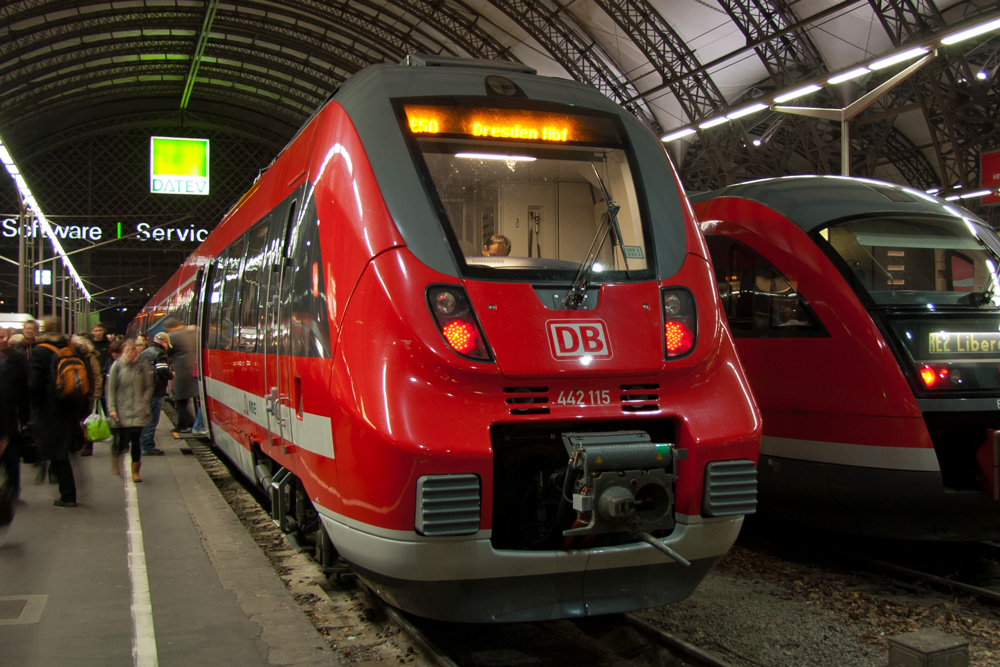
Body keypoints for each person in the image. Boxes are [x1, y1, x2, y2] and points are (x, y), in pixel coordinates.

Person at [28, 316, 86, 507]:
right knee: (64, 449)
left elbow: (34, 385)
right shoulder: (73, 348)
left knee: (58, 452)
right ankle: (67, 487)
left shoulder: (39, 352)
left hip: (50, 409)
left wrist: (33, 406)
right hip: (71, 405)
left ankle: (68, 495)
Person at [107, 339, 153, 481]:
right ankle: (115, 457)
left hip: (137, 410)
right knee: (120, 439)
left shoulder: (142, 366)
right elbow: (111, 389)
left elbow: (149, 386)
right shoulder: (117, 366)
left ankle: (135, 472)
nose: (129, 353)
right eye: (126, 351)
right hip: (120, 409)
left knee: (135, 439)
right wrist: (112, 408)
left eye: (131, 350)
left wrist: (143, 401)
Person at [0, 329, 30, 510]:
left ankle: (12, 490)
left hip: (9, 414)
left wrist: (26, 417)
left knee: (11, 457)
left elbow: (23, 389)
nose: (2, 340)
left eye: (3, 336)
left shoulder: (17, 358)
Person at [138, 332, 173, 456]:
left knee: (146, 417)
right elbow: (162, 370)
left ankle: (144, 444)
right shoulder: (160, 353)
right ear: (164, 342)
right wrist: (171, 375)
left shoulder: (145, 352)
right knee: (152, 419)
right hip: (155, 389)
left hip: (144, 389)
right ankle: (148, 446)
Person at [70, 335, 104, 457]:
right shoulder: (71, 356)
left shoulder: (90, 357)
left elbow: (97, 375)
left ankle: (87, 445)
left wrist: (97, 393)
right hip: (76, 393)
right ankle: (78, 442)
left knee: (87, 421)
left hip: (88, 393)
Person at [163, 318, 197, 432]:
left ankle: (188, 424)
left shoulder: (174, 336)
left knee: (180, 400)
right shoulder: (193, 332)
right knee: (186, 400)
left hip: (183, 372)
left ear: (170, 328)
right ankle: (186, 423)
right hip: (196, 370)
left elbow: (166, 352)